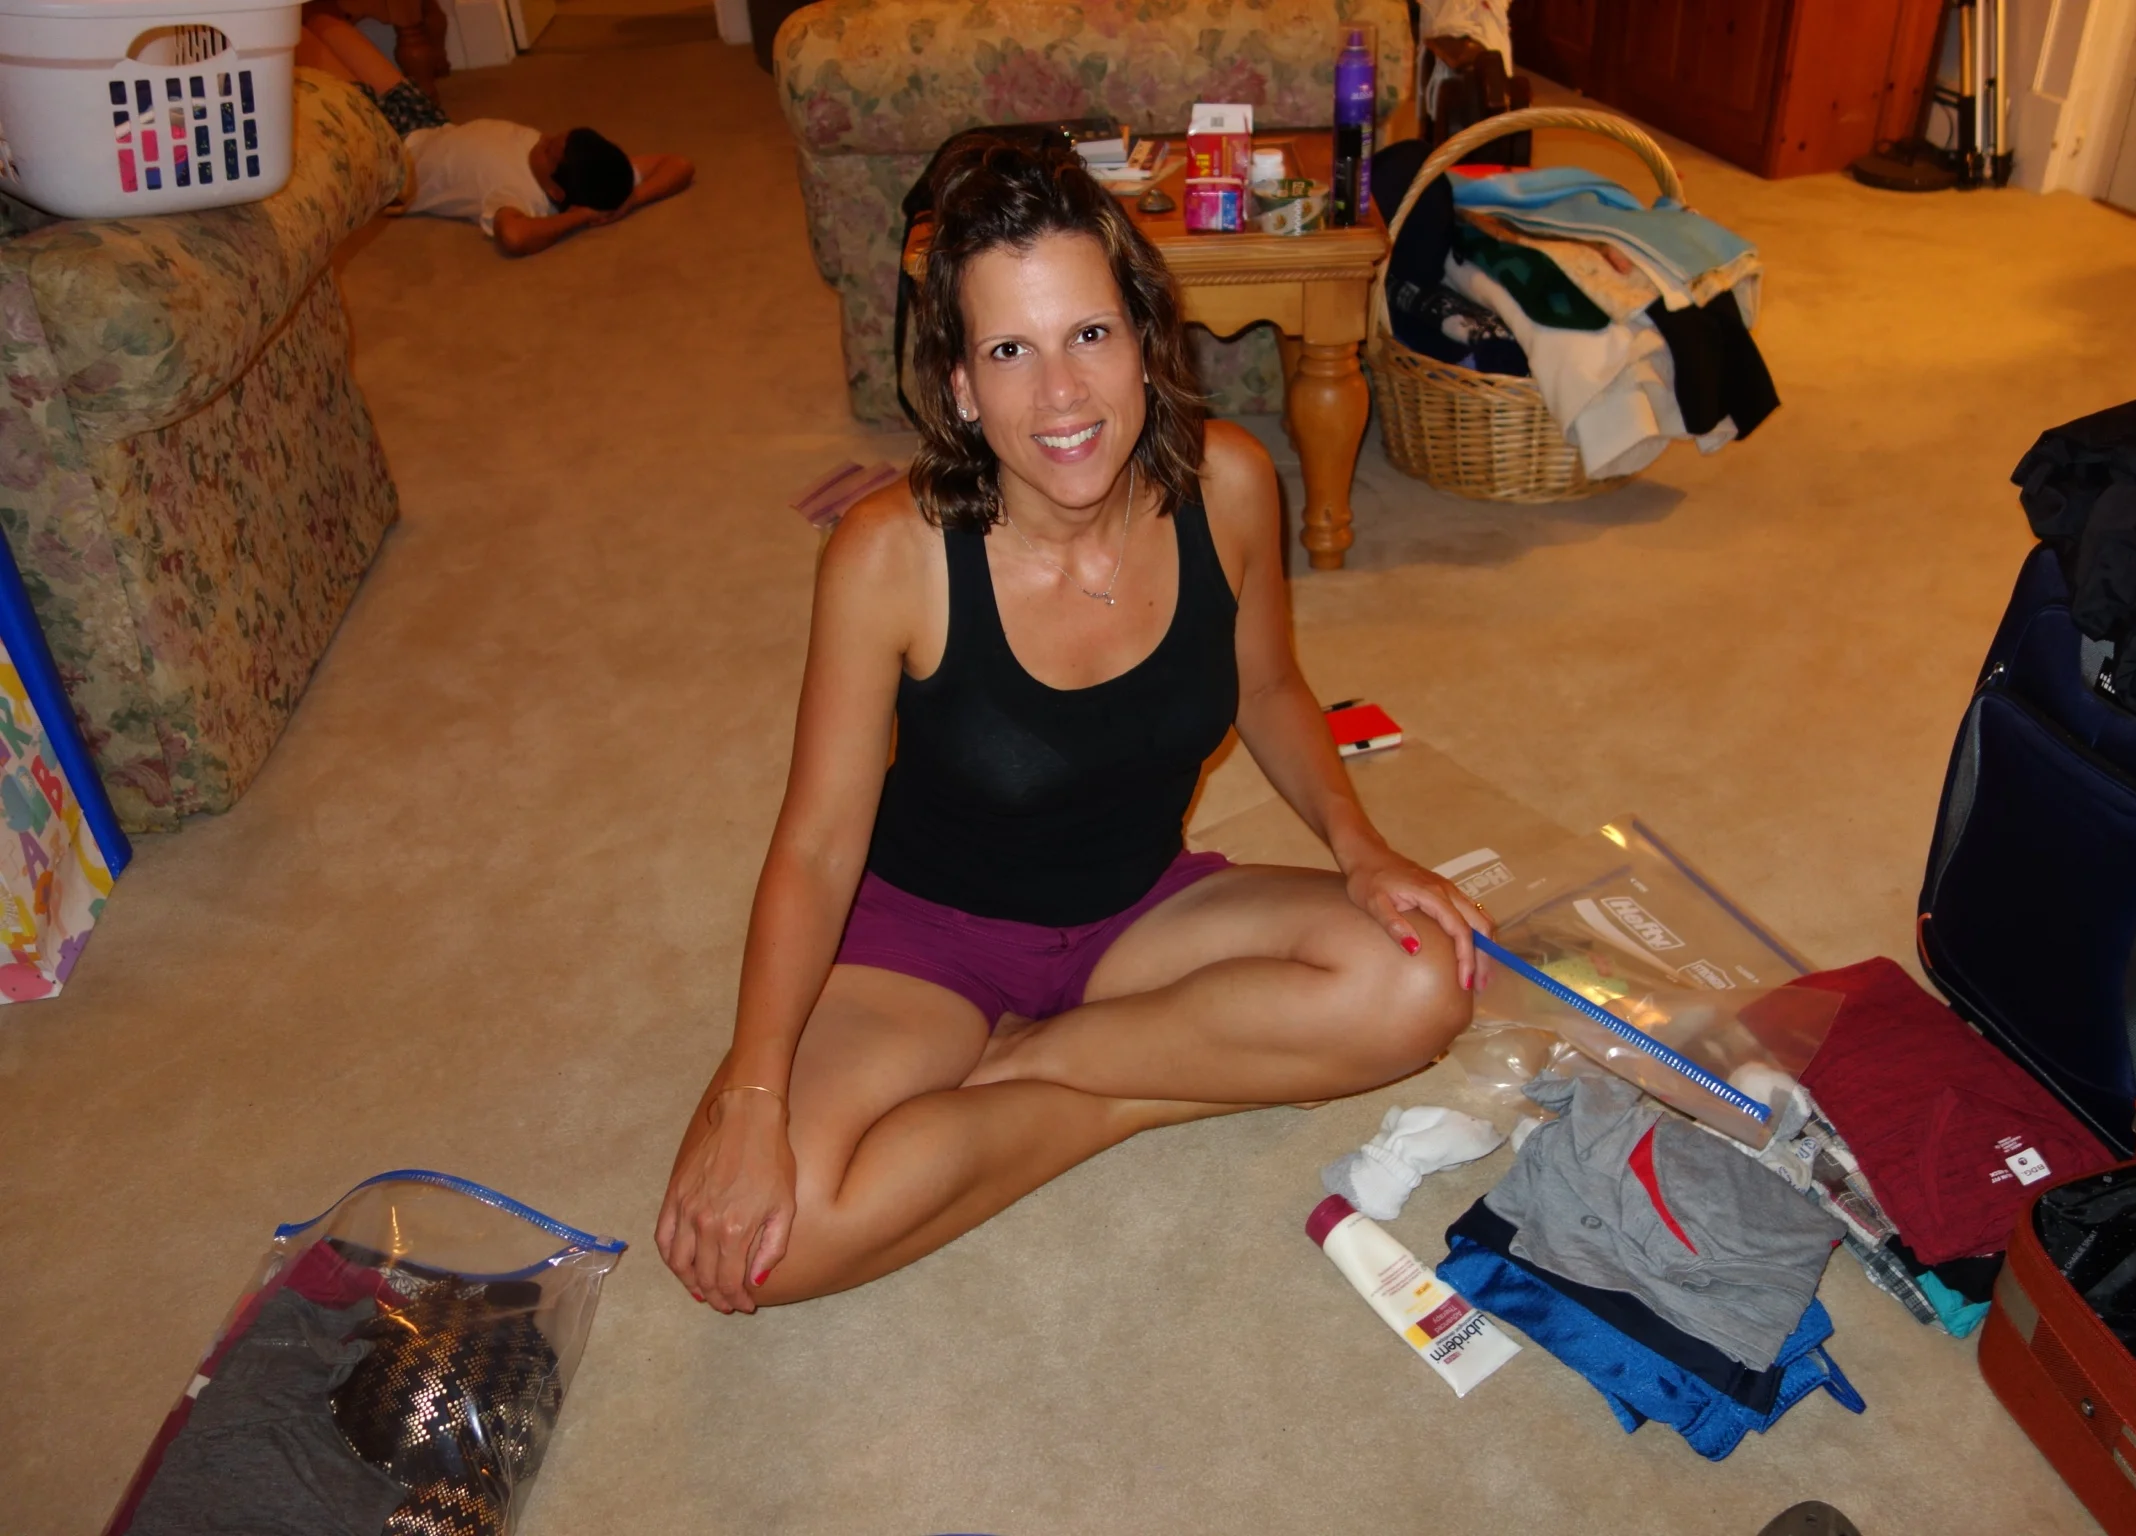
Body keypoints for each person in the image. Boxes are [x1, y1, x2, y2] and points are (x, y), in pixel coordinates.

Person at [656, 135, 1489, 1315]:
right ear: (959, 384)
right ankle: (1130, 1086)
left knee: (1423, 987)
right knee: (757, 1254)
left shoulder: (1231, 484)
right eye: (1011, 350)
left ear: (1144, 337)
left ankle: (1041, 1071)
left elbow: (1268, 690)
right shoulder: (889, 555)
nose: (1061, 395)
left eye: (1090, 334)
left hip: (1139, 915)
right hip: (927, 941)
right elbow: (817, 846)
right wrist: (752, 1094)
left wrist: (1364, 853)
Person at [295, 12, 693, 257]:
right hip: (428, 123)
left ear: (555, 190)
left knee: (304, 45)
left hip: (388, 153)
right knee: (326, 22)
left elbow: (514, 238)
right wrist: (630, 201)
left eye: (549, 151)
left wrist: (579, 218)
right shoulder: (598, 172)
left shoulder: (520, 196)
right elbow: (677, 164)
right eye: (556, 136)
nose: (544, 139)